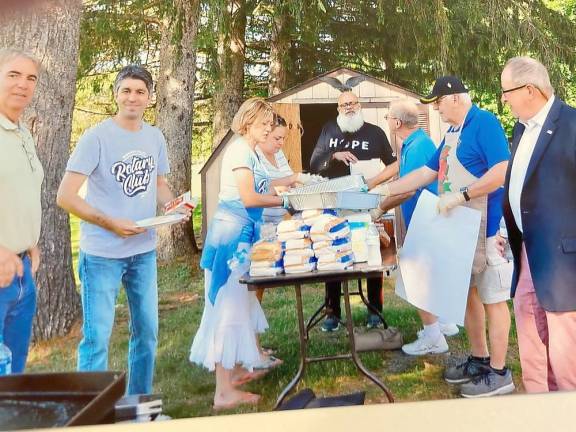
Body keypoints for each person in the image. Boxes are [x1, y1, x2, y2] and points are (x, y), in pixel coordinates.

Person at [379, 76, 514, 397]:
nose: (436, 109)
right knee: (468, 295)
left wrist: (462, 195)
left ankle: (499, 372)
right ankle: (480, 359)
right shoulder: (452, 133)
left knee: (493, 300)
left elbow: (501, 171)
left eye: (438, 102)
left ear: (454, 98)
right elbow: (426, 173)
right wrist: (383, 191)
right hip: (460, 231)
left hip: (488, 228)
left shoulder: (485, 122)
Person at [56, 65, 187, 395]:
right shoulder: (96, 137)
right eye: (126, 90)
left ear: (150, 98)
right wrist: (110, 223)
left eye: (140, 91)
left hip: (142, 252)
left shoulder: (154, 137)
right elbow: (66, 196)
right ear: (116, 94)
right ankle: (91, 412)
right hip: (102, 254)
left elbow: (159, 184)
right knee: (96, 338)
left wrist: (175, 207)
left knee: (147, 332)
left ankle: (138, 404)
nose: (133, 97)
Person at [189, 98, 293, 410]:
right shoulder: (239, 150)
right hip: (231, 237)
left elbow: (263, 188)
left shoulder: (250, 152)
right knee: (227, 309)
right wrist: (285, 203)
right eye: (263, 124)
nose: (267, 129)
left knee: (238, 305)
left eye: (269, 124)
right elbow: (248, 197)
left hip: (243, 234)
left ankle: (232, 373)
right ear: (247, 122)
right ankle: (223, 392)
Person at [500, 56, 576, 393]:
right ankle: (538, 411)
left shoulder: (572, 125)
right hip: (526, 252)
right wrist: (508, 231)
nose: (504, 98)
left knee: (565, 352)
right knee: (530, 334)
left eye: (507, 91)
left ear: (529, 90)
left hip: (564, 263)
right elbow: (522, 186)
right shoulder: (521, 128)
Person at [370, 100, 459, 355]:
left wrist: (379, 208)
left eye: (388, 117)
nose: (387, 120)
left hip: (427, 219)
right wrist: (374, 183)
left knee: (414, 276)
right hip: (425, 218)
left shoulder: (418, 146)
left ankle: (434, 337)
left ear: (397, 123)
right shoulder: (414, 143)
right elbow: (399, 170)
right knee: (431, 275)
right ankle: (444, 322)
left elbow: (408, 188)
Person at [310, 90, 398, 331]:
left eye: (352, 103)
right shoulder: (329, 130)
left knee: (371, 253)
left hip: (364, 203)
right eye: (343, 104)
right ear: (338, 109)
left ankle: (374, 311)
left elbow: (393, 165)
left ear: (359, 105)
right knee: (333, 254)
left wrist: (374, 183)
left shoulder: (375, 132)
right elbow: (314, 163)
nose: (349, 107)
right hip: (334, 203)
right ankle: (332, 313)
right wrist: (334, 155)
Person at [0, 48, 43, 373]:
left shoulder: (22, 132)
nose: (22, 84)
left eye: (30, 78)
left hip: (21, 271)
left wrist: (29, 240)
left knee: (13, 377)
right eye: (13, 74)